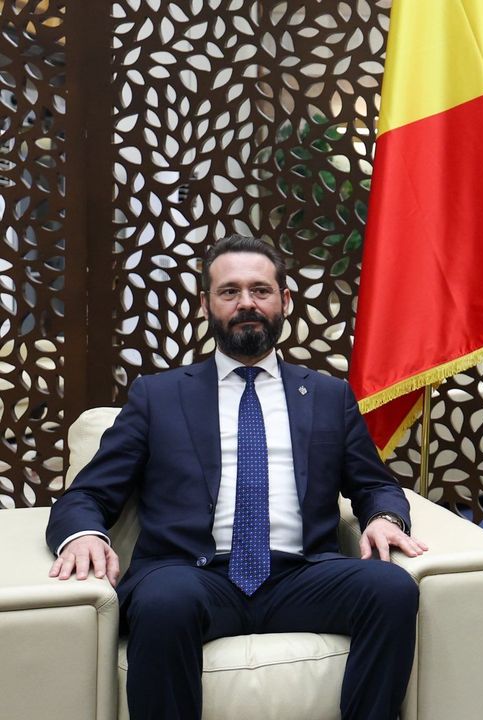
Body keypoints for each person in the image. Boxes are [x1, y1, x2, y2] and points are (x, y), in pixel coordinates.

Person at [45, 234, 427, 720]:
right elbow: (89, 493)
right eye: (229, 291)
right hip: (190, 574)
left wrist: (384, 517)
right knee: (165, 601)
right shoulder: (158, 397)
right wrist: (83, 534)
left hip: (301, 574)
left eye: (260, 290)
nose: (247, 302)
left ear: (285, 300)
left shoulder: (329, 396)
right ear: (206, 304)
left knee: (392, 589)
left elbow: (374, 484)